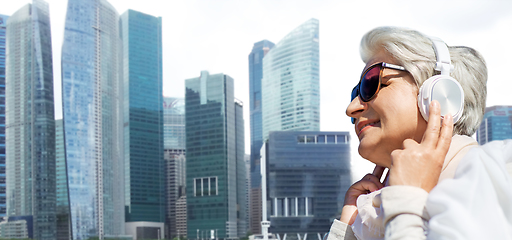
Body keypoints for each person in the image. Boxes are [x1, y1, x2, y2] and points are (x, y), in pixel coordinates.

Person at [326, 26, 512, 240]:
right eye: (354, 94)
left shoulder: (498, 175)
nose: (351, 108)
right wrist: (347, 229)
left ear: (439, 92)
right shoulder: (366, 215)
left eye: (371, 83)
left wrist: (407, 200)